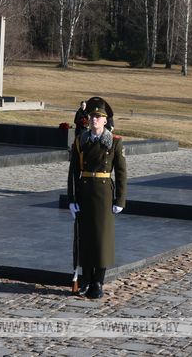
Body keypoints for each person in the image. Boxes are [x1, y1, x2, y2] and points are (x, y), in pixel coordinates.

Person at [67, 97, 127, 299]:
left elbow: (121, 173)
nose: (94, 119)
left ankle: (98, 282)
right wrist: (71, 199)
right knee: (85, 238)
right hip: (84, 192)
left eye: (99, 117)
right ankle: (85, 280)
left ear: (105, 121)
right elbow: (73, 172)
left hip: (103, 194)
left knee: (101, 240)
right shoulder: (80, 141)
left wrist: (120, 200)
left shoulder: (115, 142)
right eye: (92, 116)